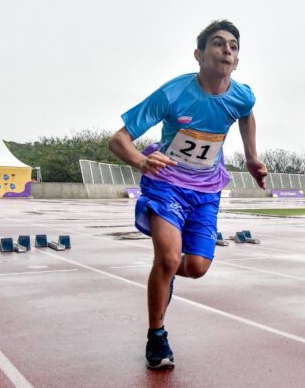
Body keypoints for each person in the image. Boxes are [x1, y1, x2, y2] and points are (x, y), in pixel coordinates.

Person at [108, 20, 268, 369]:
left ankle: (163, 277)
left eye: (233, 46)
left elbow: (246, 114)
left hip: (207, 190)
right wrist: (141, 161)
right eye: (218, 43)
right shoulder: (174, 93)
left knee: (195, 267)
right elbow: (118, 139)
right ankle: (157, 336)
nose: (227, 49)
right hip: (165, 182)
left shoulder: (242, 95)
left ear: (236, 61)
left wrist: (252, 157)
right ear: (199, 54)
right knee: (167, 257)